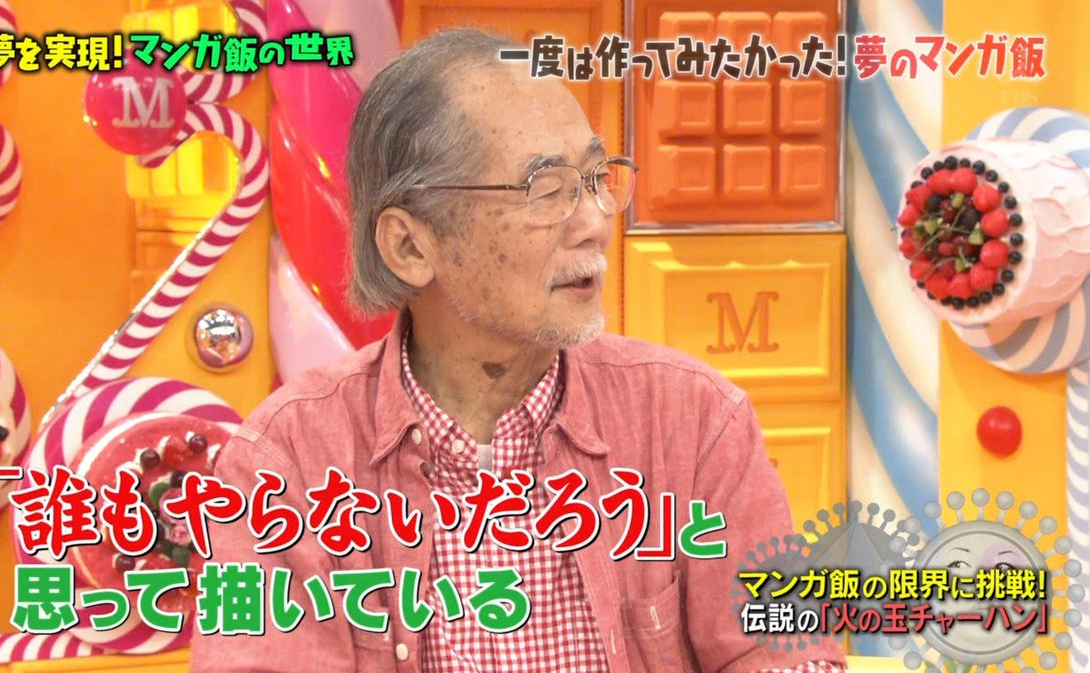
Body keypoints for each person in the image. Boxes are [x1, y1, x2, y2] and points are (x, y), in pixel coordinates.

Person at [190, 28, 846, 673]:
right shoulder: (286, 463)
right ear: (410, 246)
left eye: (597, 178)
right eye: (546, 190)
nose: (594, 223)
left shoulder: (695, 420)